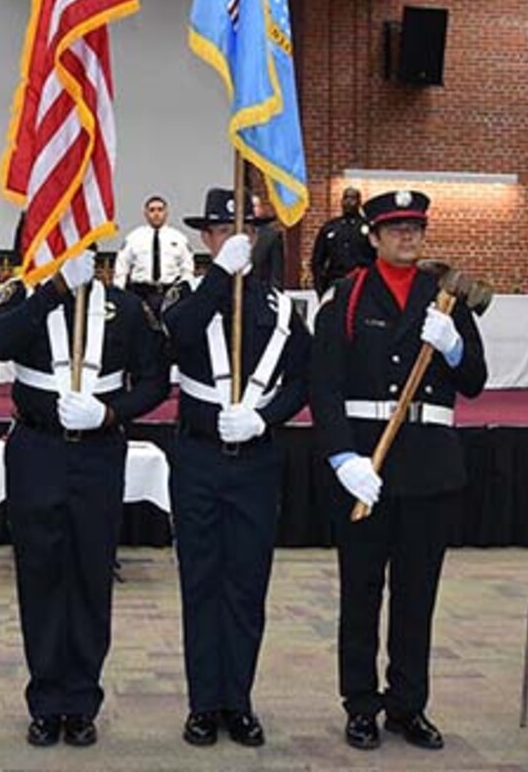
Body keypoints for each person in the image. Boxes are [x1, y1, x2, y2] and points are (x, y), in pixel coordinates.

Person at [310, 189, 487, 753]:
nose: (407, 236)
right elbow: (325, 386)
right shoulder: (347, 295)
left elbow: (476, 382)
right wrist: (342, 459)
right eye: (395, 228)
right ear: (374, 236)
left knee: (417, 597)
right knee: (359, 595)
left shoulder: (449, 297)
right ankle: (360, 705)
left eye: (415, 227)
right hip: (366, 463)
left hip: (428, 469)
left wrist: (455, 348)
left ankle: (408, 706)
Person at [0, 248, 169, 748]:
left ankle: (82, 700)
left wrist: (112, 414)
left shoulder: (126, 308)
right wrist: (54, 290)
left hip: (98, 451)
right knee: (40, 577)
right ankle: (45, 702)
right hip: (37, 449)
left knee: (90, 578)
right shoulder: (26, 298)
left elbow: (155, 380)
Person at [162, 188, 309, 748]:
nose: (235, 241)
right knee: (200, 583)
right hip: (198, 456)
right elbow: (175, 334)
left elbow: (301, 379)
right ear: (207, 239)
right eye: (224, 232)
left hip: (256, 459)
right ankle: (203, 703)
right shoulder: (189, 295)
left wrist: (265, 417)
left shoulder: (278, 307)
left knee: (246, 586)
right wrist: (221, 277)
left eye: (244, 233)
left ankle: (238, 701)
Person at [111, 195, 194, 315]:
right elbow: (122, 268)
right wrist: (119, 296)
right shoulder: (134, 238)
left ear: (166, 213)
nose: (156, 214)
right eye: (152, 210)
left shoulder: (179, 238)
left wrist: (184, 293)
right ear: (145, 213)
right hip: (140, 294)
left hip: (169, 294)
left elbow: (187, 269)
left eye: (160, 210)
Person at [310, 187, 375, 294]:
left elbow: (377, 257)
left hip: (362, 283)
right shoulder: (330, 227)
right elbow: (317, 260)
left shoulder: (369, 228)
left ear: (359, 202)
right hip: (335, 282)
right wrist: (320, 287)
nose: (348, 202)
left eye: (353, 198)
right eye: (345, 198)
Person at [248, 193, 285, 290]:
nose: (252, 210)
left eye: (255, 206)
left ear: (260, 209)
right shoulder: (233, 235)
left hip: (262, 292)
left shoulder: (271, 236)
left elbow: (276, 272)